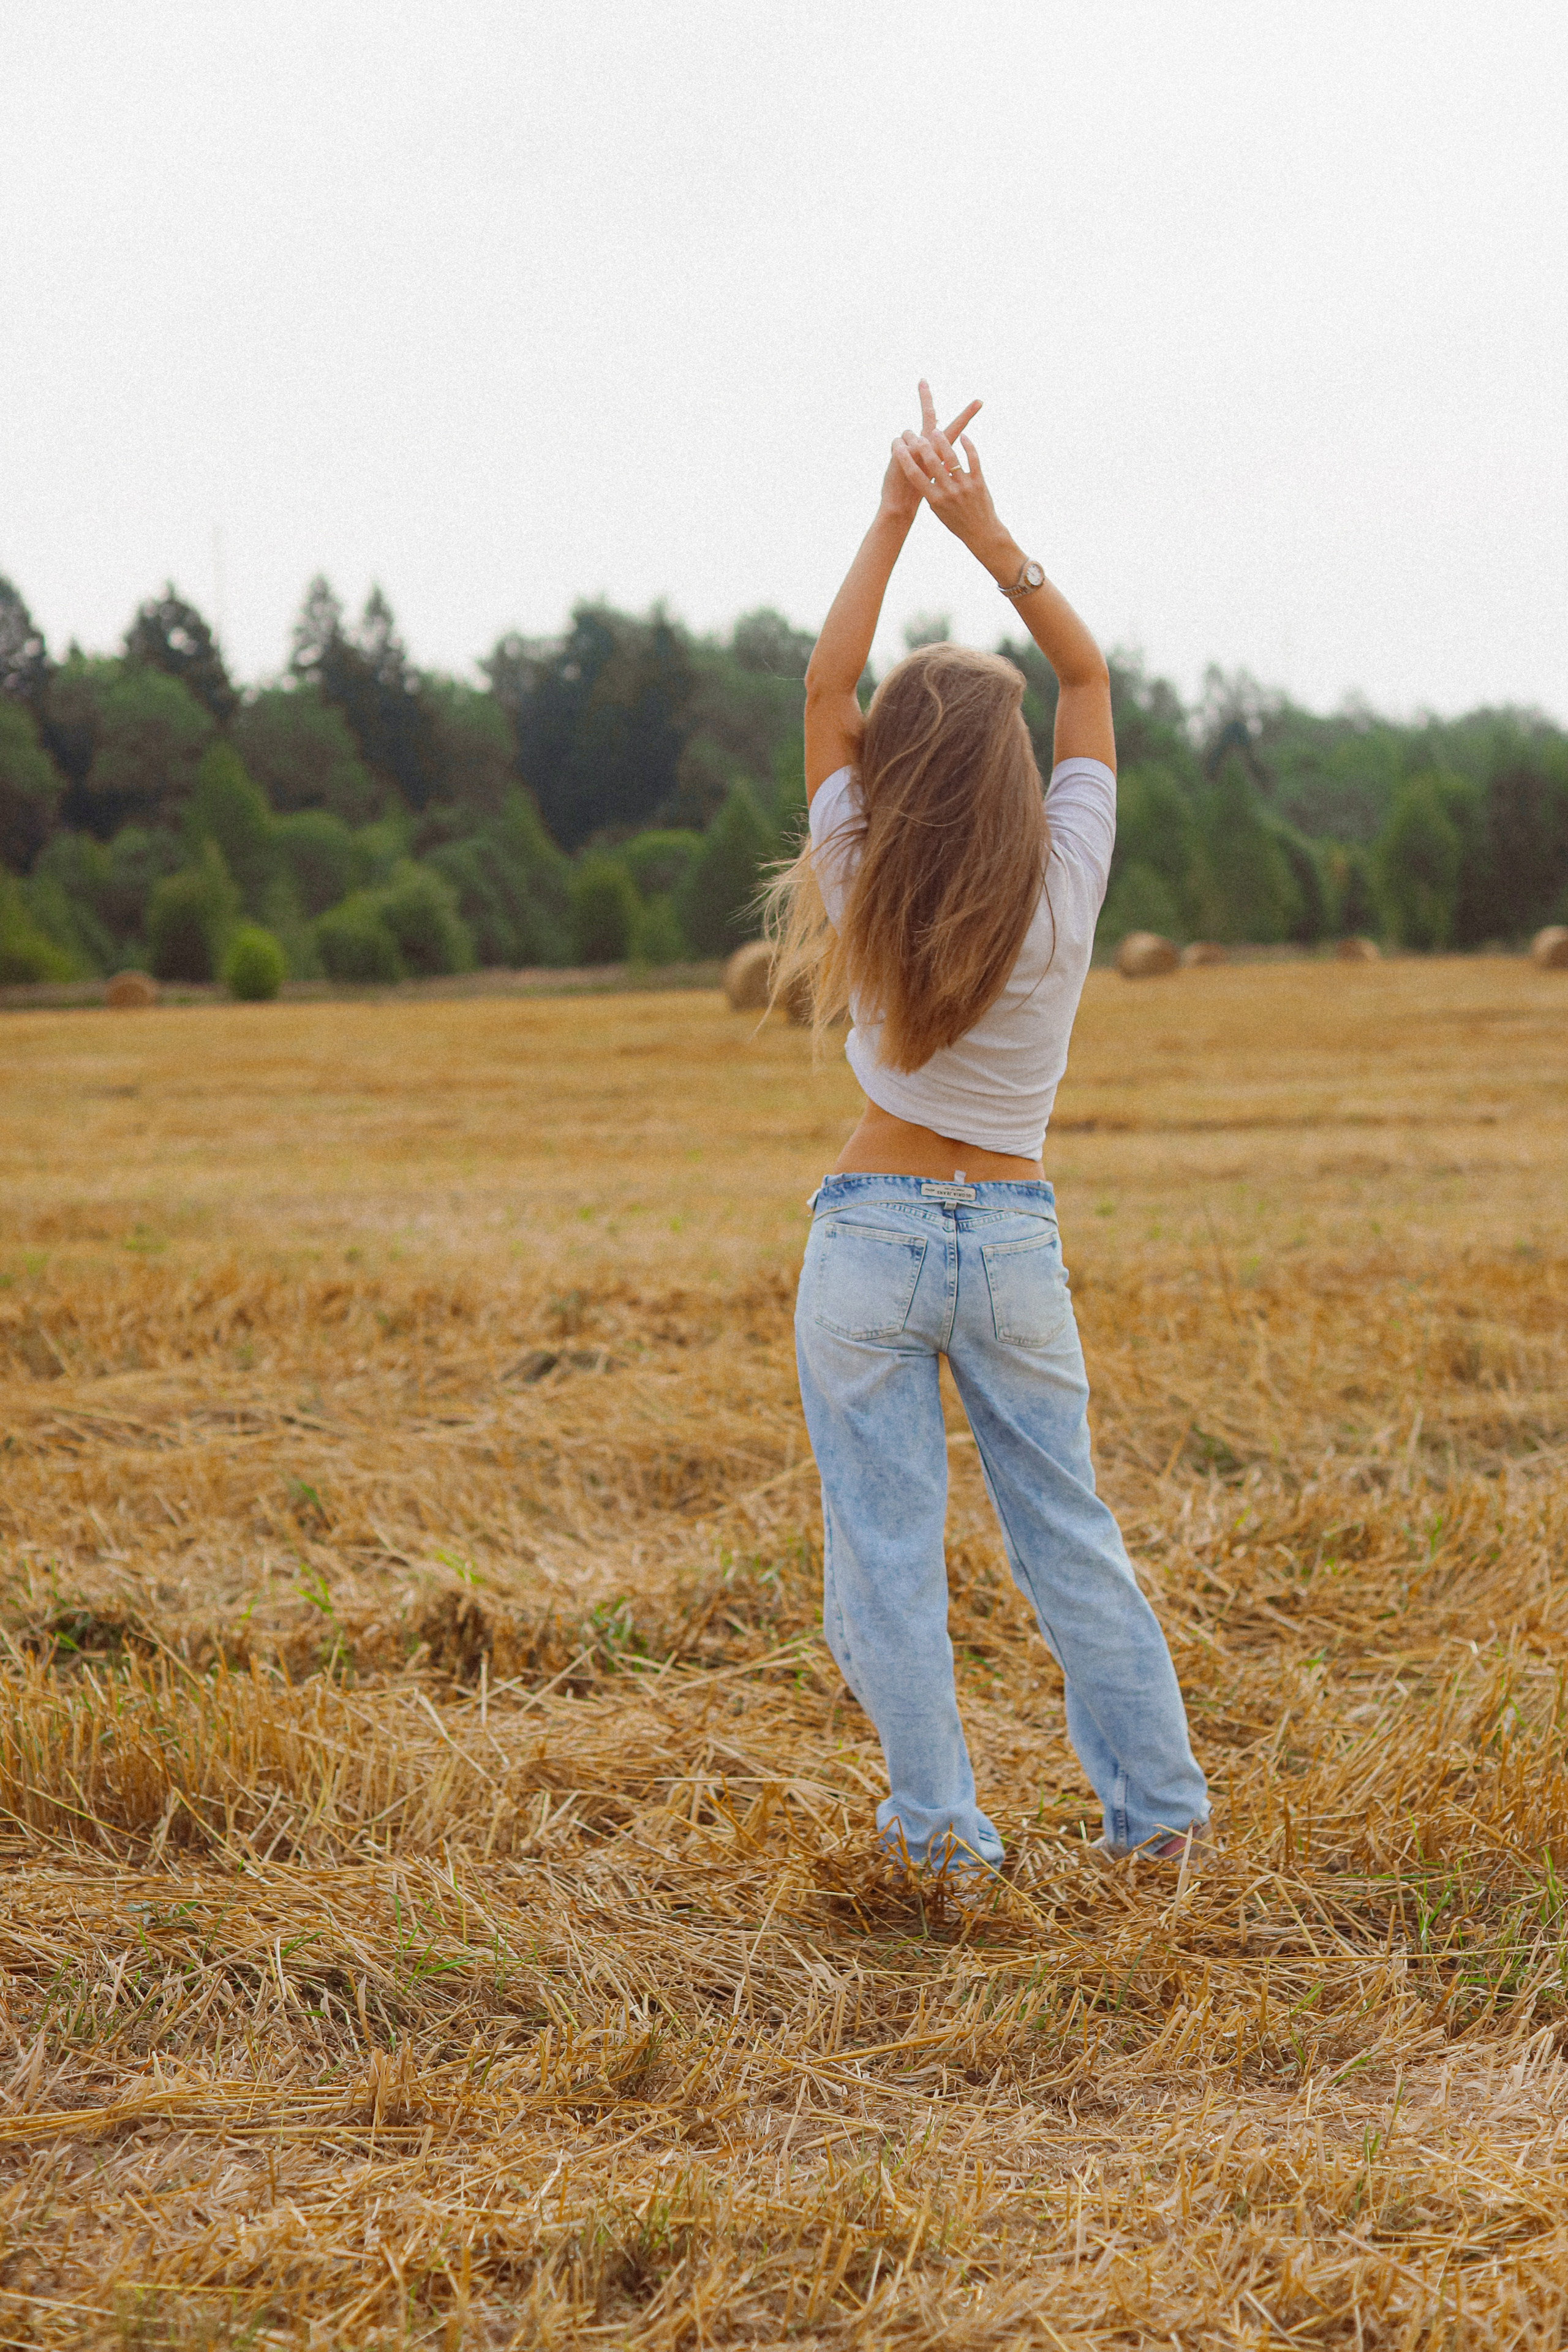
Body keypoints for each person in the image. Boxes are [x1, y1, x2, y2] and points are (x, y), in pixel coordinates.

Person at [767, 382, 1209, 1889]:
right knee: (1069, 1541)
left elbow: (825, 689)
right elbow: (1085, 682)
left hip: (869, 1233)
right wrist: (986, 533)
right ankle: (1158, 1828)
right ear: (1019, 778)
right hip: (1013, 1237)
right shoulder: (1068, 882)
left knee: (885, 1557)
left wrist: (891, 516)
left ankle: (942, 1844)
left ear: (891, 770)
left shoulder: (861, 876)